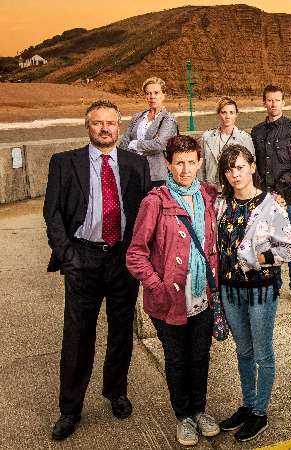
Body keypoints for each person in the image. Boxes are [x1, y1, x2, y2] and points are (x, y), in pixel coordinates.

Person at [44, 99, 151, 441]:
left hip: (121, 260)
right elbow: (52, 213)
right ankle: (70, 408)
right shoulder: (64, 163)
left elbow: (147, 211)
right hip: (83, 260)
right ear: (87, 126)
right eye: (98, 123)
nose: (105, 128)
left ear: (119, 127)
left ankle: (116, 391)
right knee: (78, 336)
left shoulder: (136, 164)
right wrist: (67, 255)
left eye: (110, 123)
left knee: (121, 332)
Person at [126, 135, 221, 446]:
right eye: (179, 163)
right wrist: (157, 286)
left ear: (200, 162)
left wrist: (275, 199)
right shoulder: (155, 202)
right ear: (167, 164)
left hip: (202, 296)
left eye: (191, 162)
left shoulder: (208, 196)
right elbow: (135, 254)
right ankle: (184, 416)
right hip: (169, 300)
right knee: (177, 359)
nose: (185, 170)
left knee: (200, 356)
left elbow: (243, 200)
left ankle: (199, 410)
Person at [214, 145, 291, 442]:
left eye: (240, 167)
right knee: (243, 351)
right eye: (229, 169)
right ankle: (248, 405)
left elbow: (290, 249)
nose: (234, 174)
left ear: (252, 167)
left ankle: (260, 412)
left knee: (262, 352)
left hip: (261, 290)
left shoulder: (271, 205)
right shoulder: (221, 204)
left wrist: (257, 257)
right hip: (230, 289)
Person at [251, 84, 291, 304]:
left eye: (277, 100)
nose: (273, 104)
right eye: (269, 100)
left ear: (283, 102)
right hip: (264, 199)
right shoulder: (256, 132)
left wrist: (284, 182)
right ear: (264, 102)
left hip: (290, 197)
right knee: (268, 242)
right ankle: (274, 286)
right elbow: (254, 165)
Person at [117, 76, 179, 187]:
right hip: (134, 173)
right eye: (148, 93)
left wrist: (135, 144)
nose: (152, 97)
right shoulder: (137, 117)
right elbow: (123, 144)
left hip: (157, 175)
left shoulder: (168, 119)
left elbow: (159, 145)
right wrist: (149, 144)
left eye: (156, 93)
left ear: (163, 95)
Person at [199, 96, 255, 190]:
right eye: (224, 112)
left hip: (235, 190)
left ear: (236, 114)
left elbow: (250, 168)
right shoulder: (207, 137)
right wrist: (202, 189)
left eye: (231, 112)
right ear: (218, 114)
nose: (227, 116)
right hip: (211, 190)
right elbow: (201, 167)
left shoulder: (245, 139)